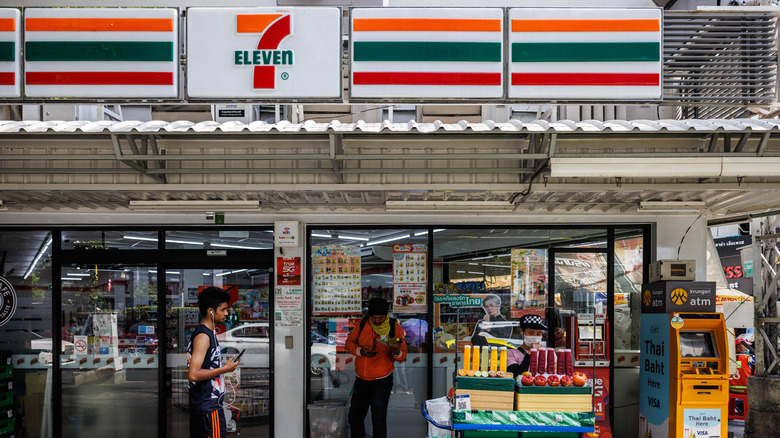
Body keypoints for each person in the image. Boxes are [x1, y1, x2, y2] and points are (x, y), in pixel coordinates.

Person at [346, 298, 408, 438]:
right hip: (361, 380)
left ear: (386, 316)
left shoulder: (393, 327)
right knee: (354, 418)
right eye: (374, 318)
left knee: (378, 421)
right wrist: (360, 351)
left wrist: (395, 351)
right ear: (369, 316)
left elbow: (402, 356)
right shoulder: (362, 324)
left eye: (380, 318)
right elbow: (349, 343)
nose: (377, 321)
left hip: (382, 381)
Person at [187, 287, 240, 438]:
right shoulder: (204, 336)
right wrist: (224, 370)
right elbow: (194, 374)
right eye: (223, 309)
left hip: (206, 407)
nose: (226, 313)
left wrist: (224, 367)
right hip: (208, 408)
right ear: (211, 311)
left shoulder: (209, 333)